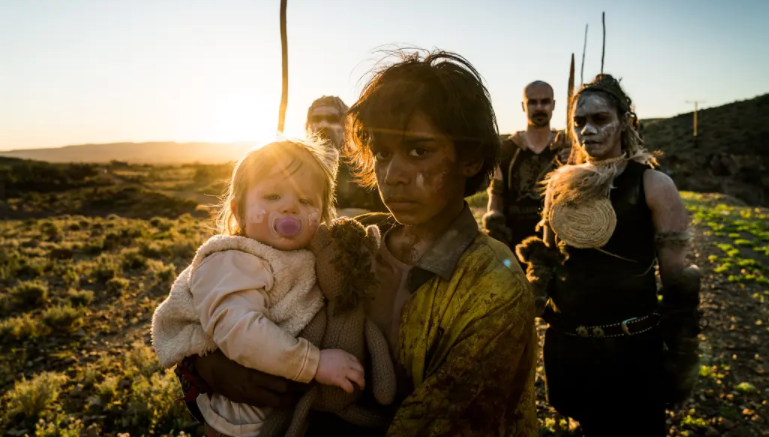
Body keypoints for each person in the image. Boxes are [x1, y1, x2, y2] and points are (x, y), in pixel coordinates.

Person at [178, 49, 539, 437]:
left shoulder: (491, 287)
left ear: (468, 158)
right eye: (382, 153)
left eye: (420, 150)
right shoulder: (349, 240)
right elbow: (222, 301)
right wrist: (208, 367)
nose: (394, 174)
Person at [516, 74, 701, 436]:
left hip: (632, 354)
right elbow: (548, 256)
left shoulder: (653, 185)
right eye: (579, 122)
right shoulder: (559, 185)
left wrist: (680, 354)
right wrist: (537, 293)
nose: (588, 130)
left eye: (600, 119)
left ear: (624, 122)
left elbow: (678, 282)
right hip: (570, 349)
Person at [152, 139, 372, 437]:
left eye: (306, 201)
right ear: (238, 212)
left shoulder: (304, 257)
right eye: (272, 195)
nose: (291, 207)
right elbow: (241, 330)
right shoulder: (232, 260)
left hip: (291, 407)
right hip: (243, 419)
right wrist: (314, 363)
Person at [483, 80, 570, 251]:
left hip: (558, 249)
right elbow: (496, 198)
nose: (539, 107)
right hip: (515, 247)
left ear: (553, 105)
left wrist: (573, 165)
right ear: (524, 106)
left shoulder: (566, 150)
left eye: (545, 101)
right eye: (532, 102)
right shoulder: (506, 151)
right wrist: (495, 225)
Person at [306, 96, 387, 213]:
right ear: (309, 125)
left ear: (346, 126)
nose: (323, 125)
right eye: (317, 119)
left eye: (333, 119)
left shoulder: (365, 166)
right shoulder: (298, 166)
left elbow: (388, 216)